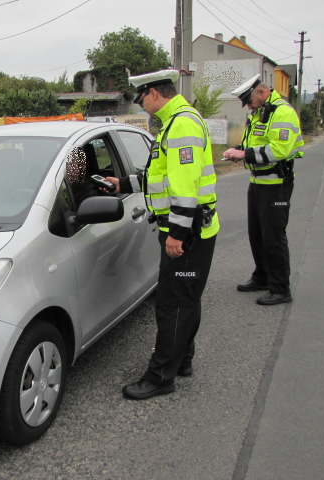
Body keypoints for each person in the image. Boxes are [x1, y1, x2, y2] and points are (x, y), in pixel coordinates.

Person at [104, 70, 220, 400]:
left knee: (173, 305)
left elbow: (185, 189)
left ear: (154, 93)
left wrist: (178, 235)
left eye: (141, 99)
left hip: (187, 232)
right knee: (186, 299)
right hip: (192, 229)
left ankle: (160, 377)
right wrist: (123, 184)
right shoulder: (175, 122)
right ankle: (182, 360)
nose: (140, 106)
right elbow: (162, 178)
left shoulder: (181, 124)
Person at [223, 74, 304, 306]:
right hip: (258, 182)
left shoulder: (282, 112)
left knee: (273, 237)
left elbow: (279, 149)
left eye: (249, 101)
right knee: (257, 234)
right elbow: (255, 144)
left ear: (262, 92)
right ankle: (262, 277)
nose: (248, 107)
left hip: (277, 184)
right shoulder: (261, 113)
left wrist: (244, 154)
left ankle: (280, 288)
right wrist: (237, 150)